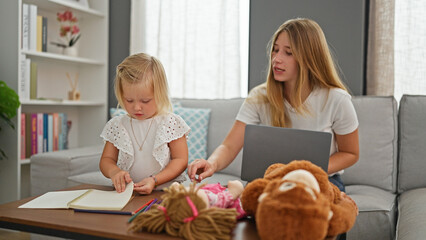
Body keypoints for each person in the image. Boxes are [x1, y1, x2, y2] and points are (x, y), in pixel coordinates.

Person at [187, 18, 359, 192]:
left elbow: (350, 153)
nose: (276, 59)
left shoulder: (337, 99)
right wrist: (211, 163)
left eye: (288, 53)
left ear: (309, 58)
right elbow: (229, 146)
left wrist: (306, 171)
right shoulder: (259, 97)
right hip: (272, 181)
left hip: (320, 181)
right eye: (275, 50)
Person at [100, 53, 190, 194]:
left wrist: (154, 180)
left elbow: (181, 160)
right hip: (128, 192)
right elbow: (106, 159)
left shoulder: (170, 122)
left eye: (145, 101)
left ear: (160, 94)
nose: (137, 107)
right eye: (129, 100)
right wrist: (114, 172)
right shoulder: (117, 125)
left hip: (166, 191)